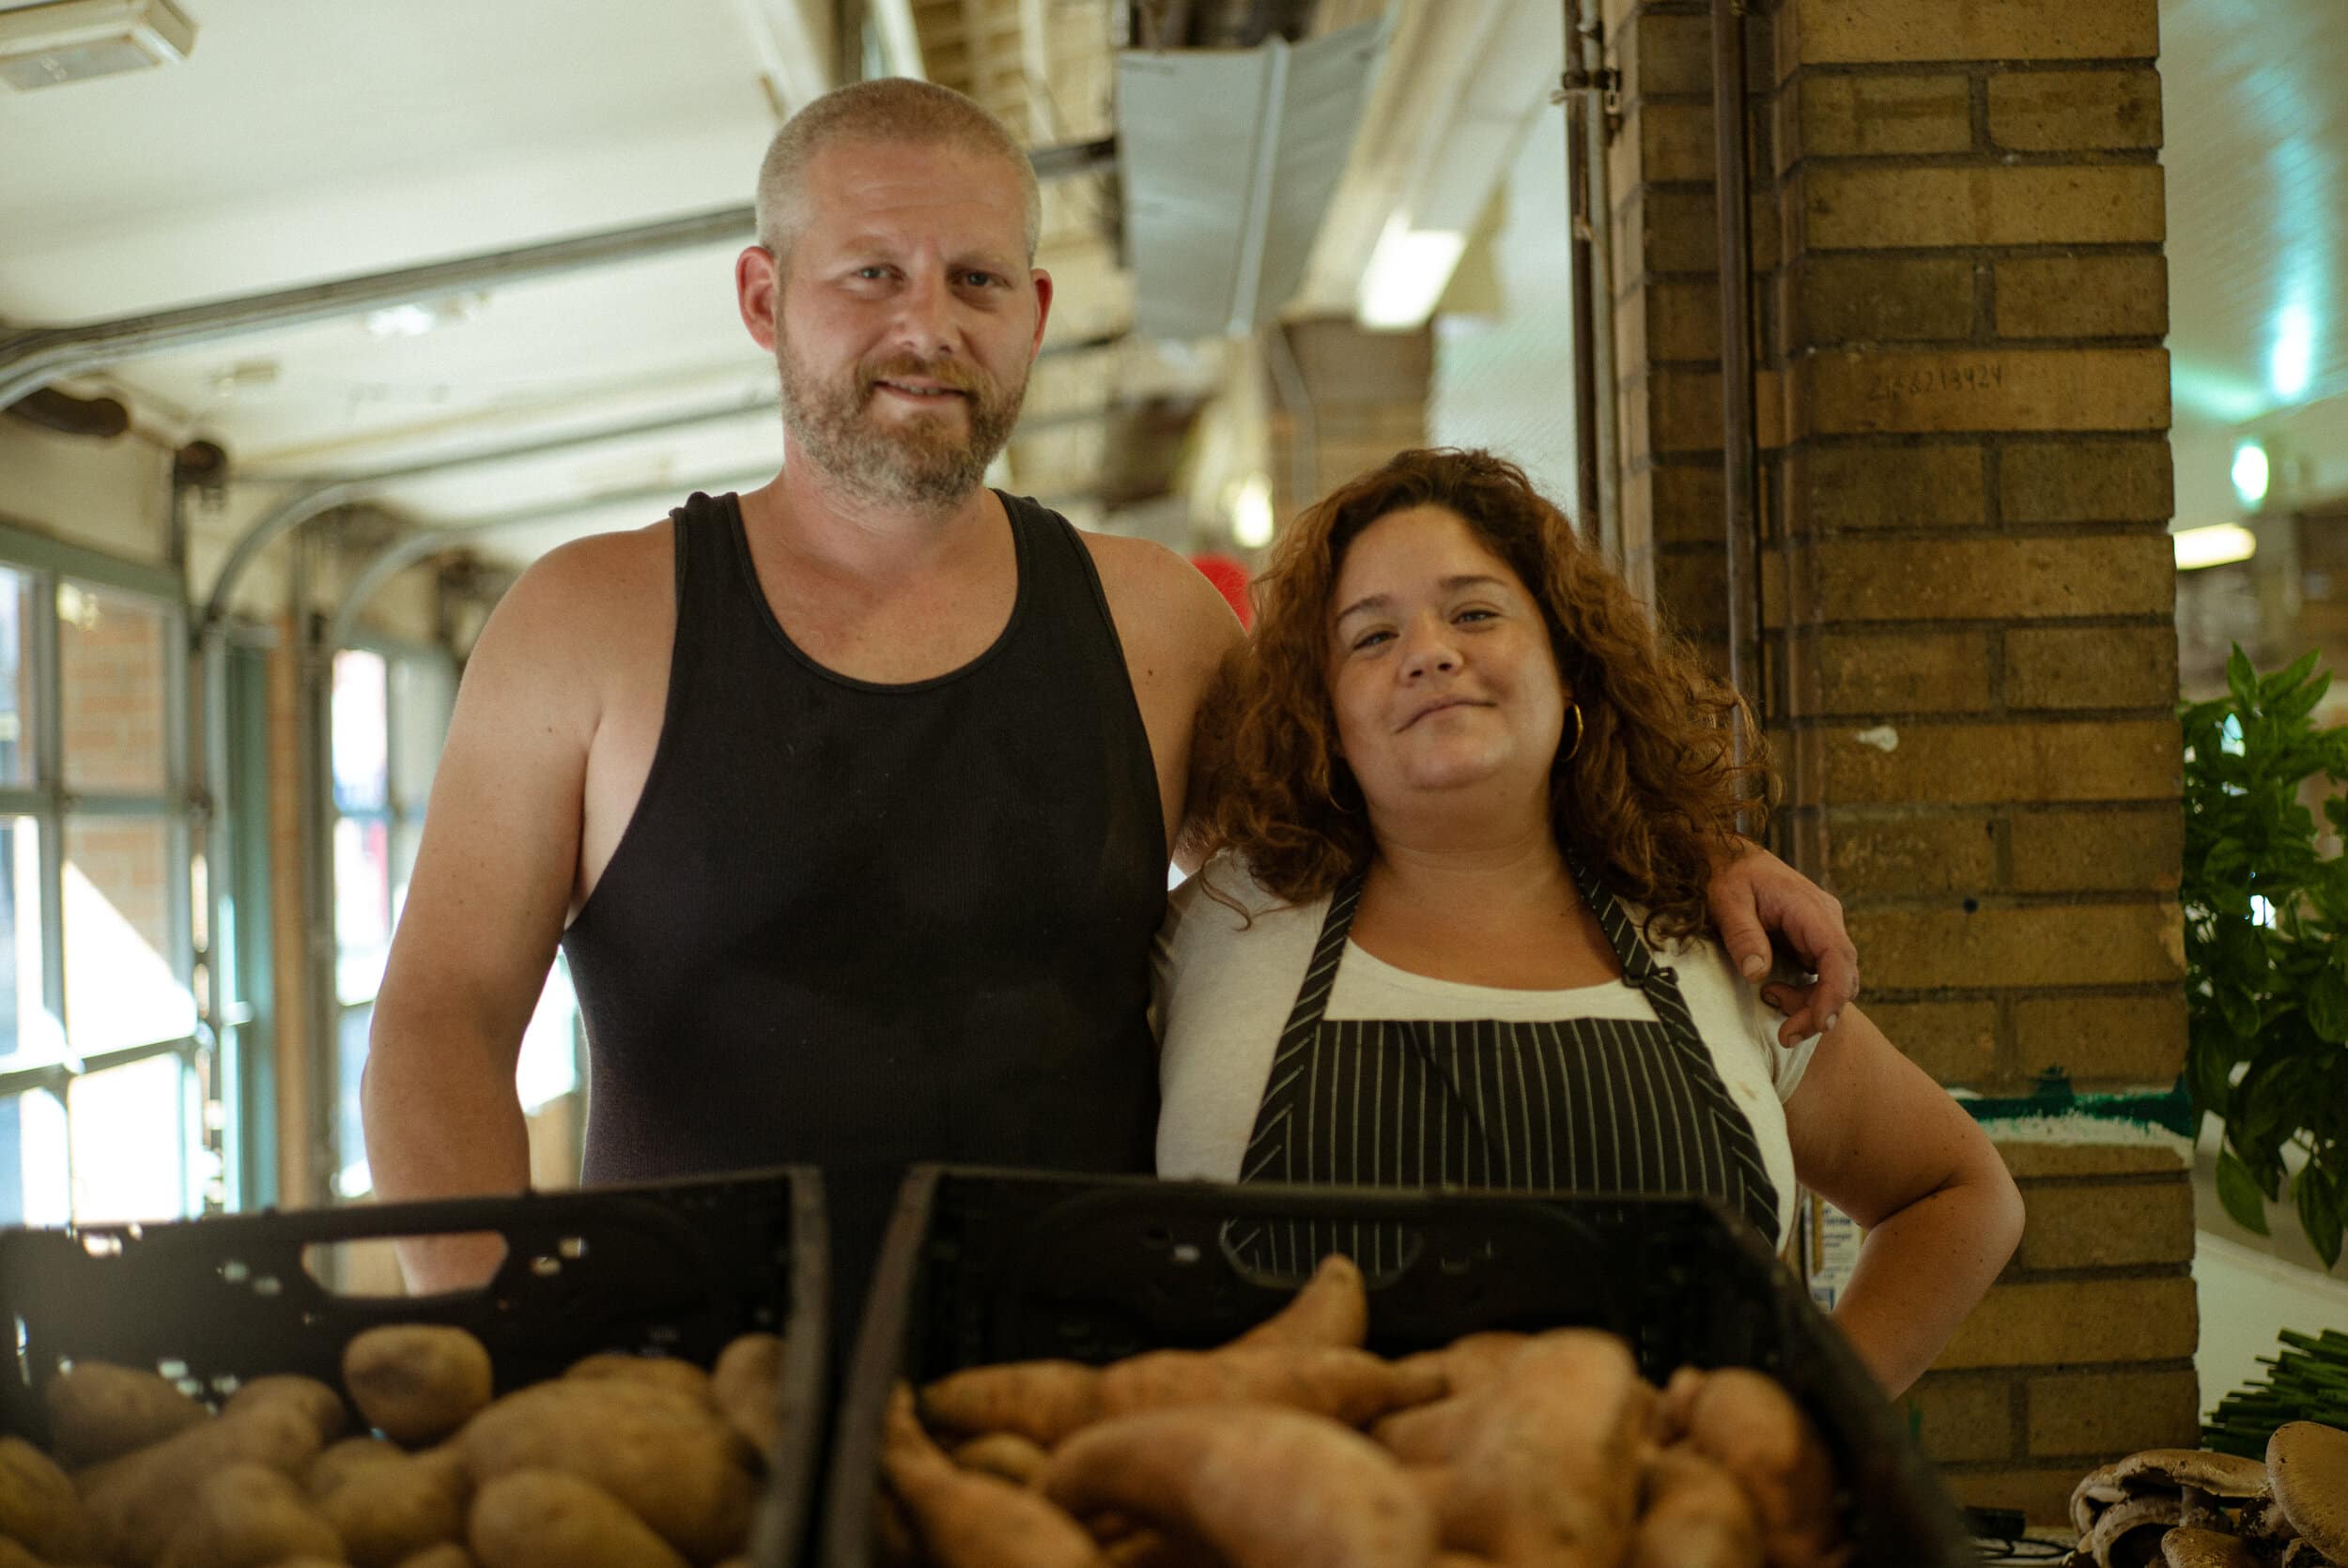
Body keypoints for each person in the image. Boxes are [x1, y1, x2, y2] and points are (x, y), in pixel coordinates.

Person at [360, 78, 1860, 1319]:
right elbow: (440, 1012)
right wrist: (494, 1322)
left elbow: (1411, 809)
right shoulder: (591, 621)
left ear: (1037, 309)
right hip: (690, 1418)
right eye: (870, 272)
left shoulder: (1150, 621)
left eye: (977, 280)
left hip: (1096, 1407)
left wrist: (1682, 856)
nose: (926, 326)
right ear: (765, 297)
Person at [1155, 449, 2020, 1395]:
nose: (1430, 650)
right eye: (1369, 636)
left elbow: (1958, 1194)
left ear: (1569, 668)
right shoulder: (1212, 932)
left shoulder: (1711, 941)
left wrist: (1816, 1427)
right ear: (1323, 711)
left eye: (1476, 612)